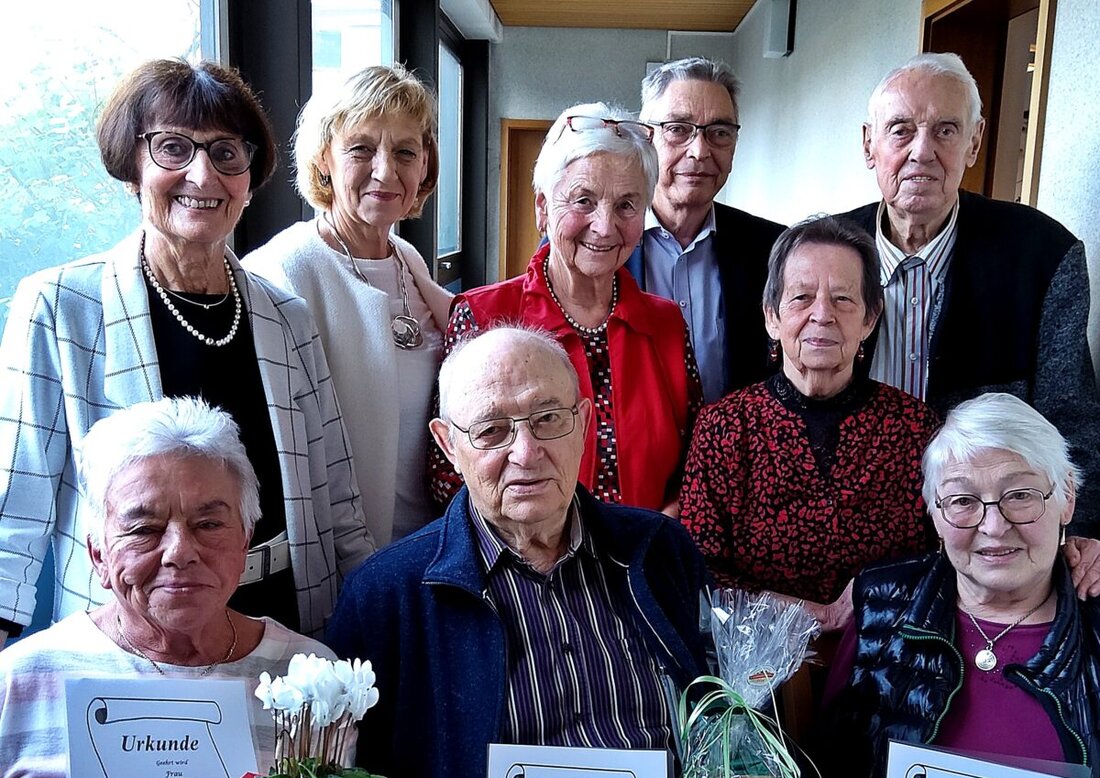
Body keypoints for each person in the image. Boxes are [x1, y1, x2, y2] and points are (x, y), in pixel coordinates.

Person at [329, 326, 845, 778]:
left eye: (548, 418)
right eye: (490, 431)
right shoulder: (388, 597)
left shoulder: (659, 553)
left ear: (585, 423)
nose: (526, 451)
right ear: (447, 445)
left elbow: (754, 743)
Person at [0, 59, 372, 645]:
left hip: (281, 619)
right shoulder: (60, 308)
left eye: (227, 153)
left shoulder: (288, 317)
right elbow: (12, 516)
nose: (203, 175)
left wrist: (359, 642)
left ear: (249, 180)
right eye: (173, 148)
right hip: (131, 626)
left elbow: (338, 501)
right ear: (132, 169)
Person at [0, 397, 334, 778]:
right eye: (143, 527)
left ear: (245, 540)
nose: (180, 550)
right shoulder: (20, 680)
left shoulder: (309, 680)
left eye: (209, 523)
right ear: (99, 553)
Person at [820, 393, 1100, 778]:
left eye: (1022, 494)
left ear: (1067, 500)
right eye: (963, 501)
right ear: (933, 511)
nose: (993, 526)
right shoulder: (881, 611)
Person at [841, 52, 1100, 534]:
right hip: (849, 523)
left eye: (945, 130)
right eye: (900, 129)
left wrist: (1080, 531)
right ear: (869, 144)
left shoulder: (1042, 254)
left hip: (987, 528)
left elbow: (1072, 421)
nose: (921, 151)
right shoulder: (825, 251)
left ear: (974, 142)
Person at [428, 102, 701, 513]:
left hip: (644, 558)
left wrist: (659, 534)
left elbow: (695, 461)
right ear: (542, 208)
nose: (605, 226)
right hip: (522, 564)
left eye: (626, 205)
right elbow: (449, 473)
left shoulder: (665, 322)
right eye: (583, 201)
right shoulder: (483, 317)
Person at [679, 215, 941, 634]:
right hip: (758, 668)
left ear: (869, 320)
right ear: (772, 317)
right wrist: (817, 616)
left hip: (888, 660)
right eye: (801, 297)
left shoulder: (915, 429)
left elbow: (942, 557)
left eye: (843, 299)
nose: (822, 314)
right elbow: (698, 570)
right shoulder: (724, 427)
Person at [246, 64, 452, 546]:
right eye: (361, 149)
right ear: (324, 159)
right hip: (348, 559)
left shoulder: (409, 259)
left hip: (431, 543)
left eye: (405, 152)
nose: (385, 170)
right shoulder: (284, 270)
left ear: (425, 167)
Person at [632, 57, 784, 402]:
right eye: (678, 129)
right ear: (645, 137)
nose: (700, 151)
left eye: (719, 133)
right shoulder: (605, 243)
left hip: (737, 451)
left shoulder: (773, 248)